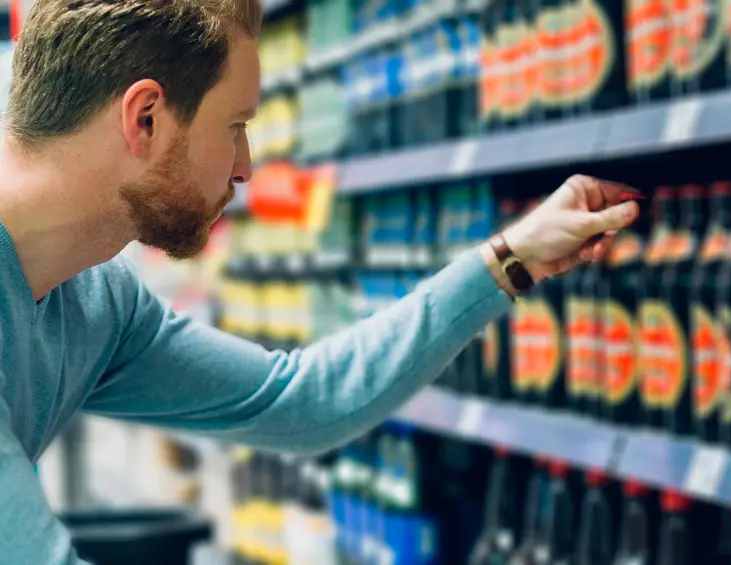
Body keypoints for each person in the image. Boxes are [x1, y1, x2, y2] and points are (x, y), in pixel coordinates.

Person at [0, 0, 639, 562]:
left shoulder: (96, 302)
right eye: (235, 126)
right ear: (145, 118)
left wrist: (508, 258)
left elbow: (299, 402)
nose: (245, 166)